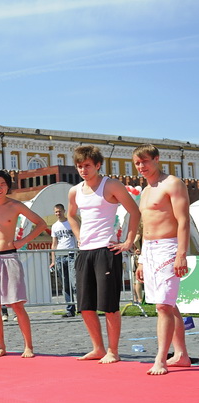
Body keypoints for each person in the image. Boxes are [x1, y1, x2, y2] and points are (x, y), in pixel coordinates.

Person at [67, 145, 140, 364]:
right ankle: (97, 348)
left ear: (98, 165)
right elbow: (71, 215)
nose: (83, 170)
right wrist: (78, 235)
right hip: (85, 251)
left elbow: (134, 211)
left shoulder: (111, 185)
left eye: (87, 165)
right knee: (85, 306)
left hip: (107, 250)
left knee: (109, 306)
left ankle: (113, 351)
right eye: (79, 166)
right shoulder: (75, 191)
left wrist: (128, 241)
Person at [133, 144, 192, 375]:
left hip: (169, 247)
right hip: (149, 250)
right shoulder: (145, 190)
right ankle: (182, 355)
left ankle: (161, 359)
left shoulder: (173, 183)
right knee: (168, 303)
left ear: (156, 159)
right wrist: (141, 260)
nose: (141, 166)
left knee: (163, 306)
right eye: (137, 163)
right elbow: (145, 225)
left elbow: (183, 220)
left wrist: (181, 254)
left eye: (145, 161)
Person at [0, 170, 47, 358]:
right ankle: (1, 346)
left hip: (9, 257)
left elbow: (41, 223)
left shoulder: (16, 205)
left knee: (17, 305)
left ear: (8, 186)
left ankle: (28, 346)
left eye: (2, 184)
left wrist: (23, 241)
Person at [50, 203, 77, 317]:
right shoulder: (55, 226)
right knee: (65, 284)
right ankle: (70, 309)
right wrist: (53, 260)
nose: (58, 213)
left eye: (59, 211)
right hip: (60, 256)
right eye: (56, 212)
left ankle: (83, 307)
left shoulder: (71, 222)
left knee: (75, 282)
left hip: (71, 254)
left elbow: (78, 236)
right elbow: (54, 243)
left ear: (64, 211)